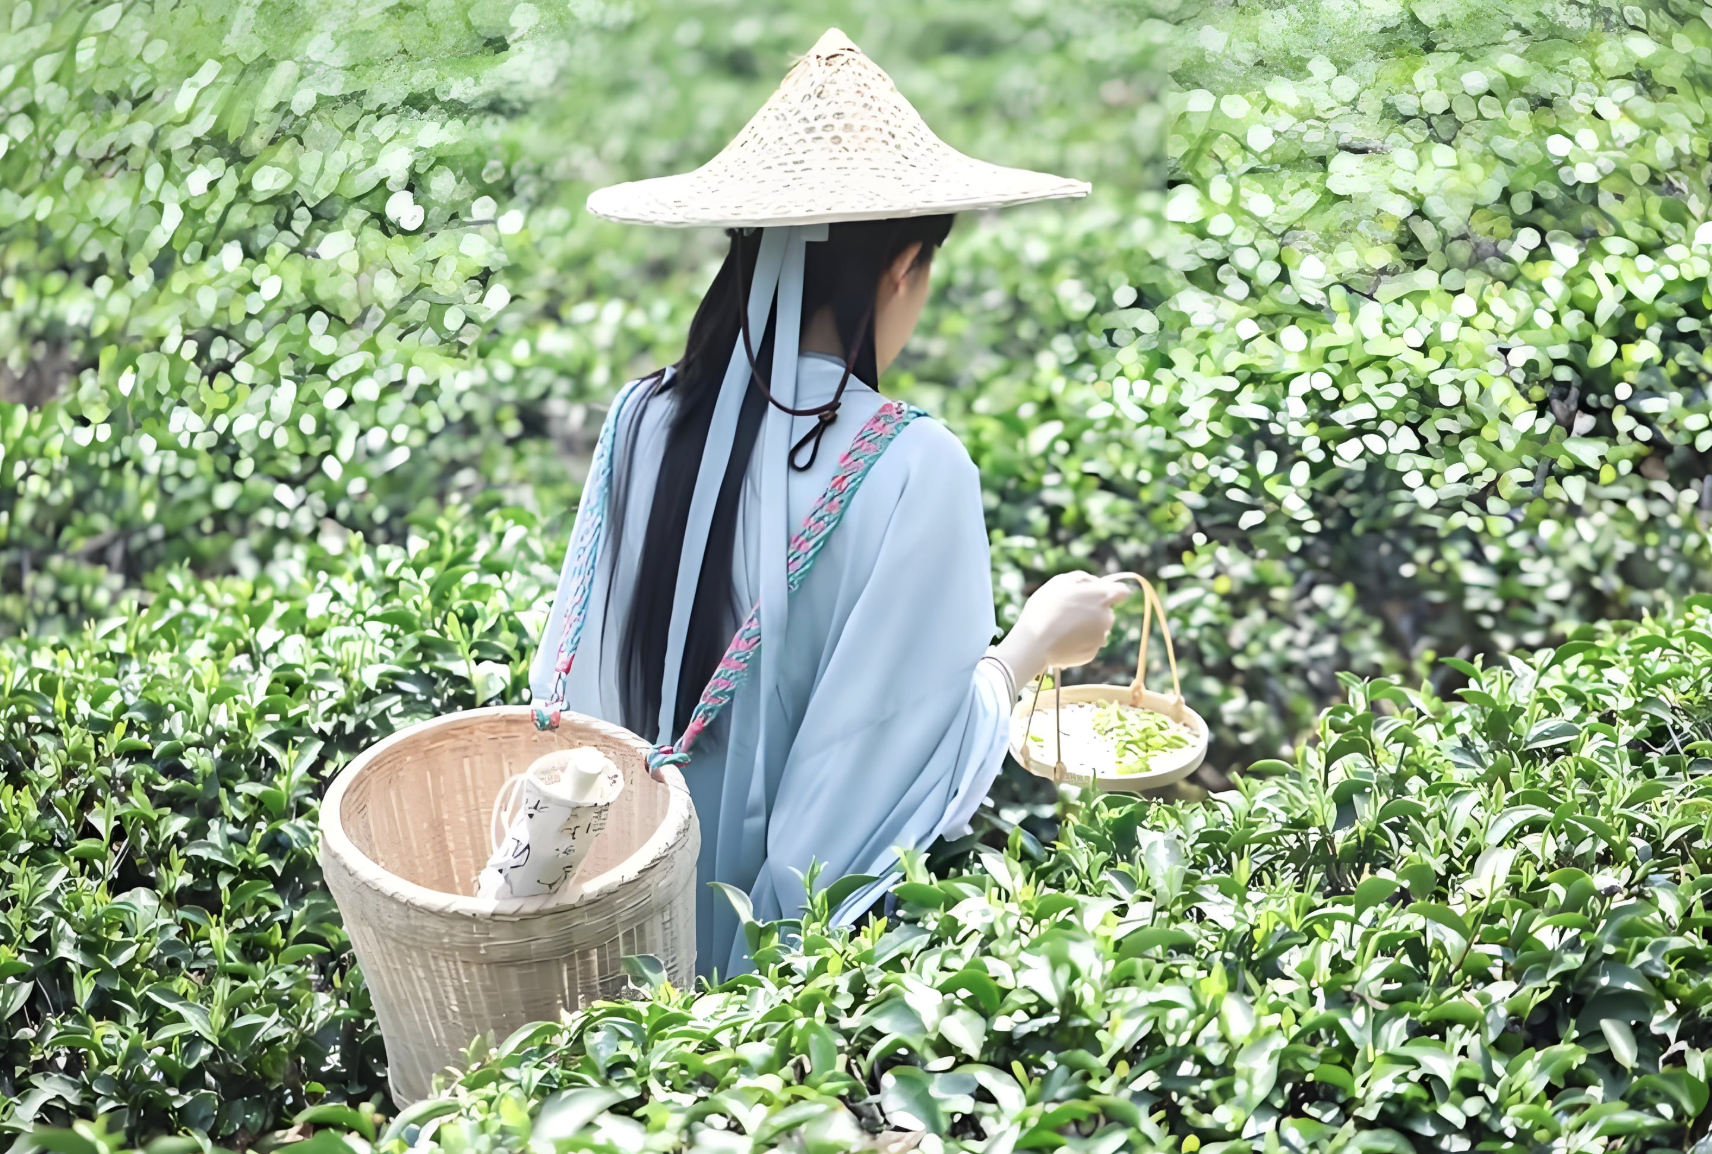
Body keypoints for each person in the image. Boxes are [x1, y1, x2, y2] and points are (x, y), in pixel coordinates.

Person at [514, 28, 1131, 977]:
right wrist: (1032, 647)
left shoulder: (641, 415)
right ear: (902, 267)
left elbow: (578, 670)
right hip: (748, 982)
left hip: (607, 906)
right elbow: (879, 771)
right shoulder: (912, 465)